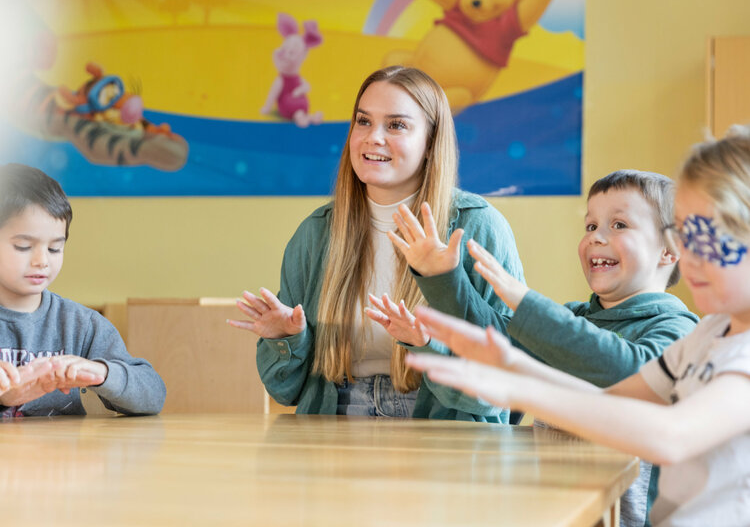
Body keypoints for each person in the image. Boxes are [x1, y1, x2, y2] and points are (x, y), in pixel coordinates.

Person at [407, 125, 750, 526]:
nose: (689, 256)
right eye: (685, 235)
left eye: (709, 238)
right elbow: (611, 400)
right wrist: (514, 367)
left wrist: (523, 387)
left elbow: (670, 436)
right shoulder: (709, 335)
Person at [369, 169, 699, 527]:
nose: (597, 237)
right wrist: (444, 279)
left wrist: (526, 302)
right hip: (557, 510)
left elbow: (632, 373)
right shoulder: (572, 317)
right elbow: (498, 343)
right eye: (590, 226)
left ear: (669, 251)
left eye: (619, 225)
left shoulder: (677, 328)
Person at [228, 66, 524, 421]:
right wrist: (287, 339)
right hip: (335, 418)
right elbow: (285, 391)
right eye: (363, 122)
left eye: (396, 125)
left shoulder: (477, 226)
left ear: (430, 143)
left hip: (443, 420)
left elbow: (505, 385)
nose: (373, 138)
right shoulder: (317, 232)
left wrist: (428, 348)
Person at [0, 163, 166, 417]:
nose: (42, 261)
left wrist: (102, 373)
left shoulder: (81, 324)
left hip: (63, 455)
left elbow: (154, 395)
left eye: (55, 248)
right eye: (23, 246)